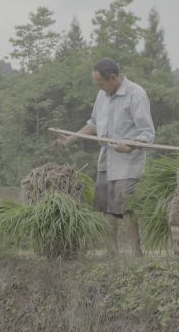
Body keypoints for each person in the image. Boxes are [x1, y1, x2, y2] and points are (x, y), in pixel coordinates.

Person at [56, 58, 155, 256]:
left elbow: (147, 133)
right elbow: (93, 123)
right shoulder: (103, 95)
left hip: (127, 163)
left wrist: (129, 146)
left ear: (113, 78)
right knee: (107, 207)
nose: (99, 88)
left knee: (127, 208)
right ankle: (113, 251)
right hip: (106, 160)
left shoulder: (135, 94)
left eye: (101, 84)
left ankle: (136, 252)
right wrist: (70, 138)